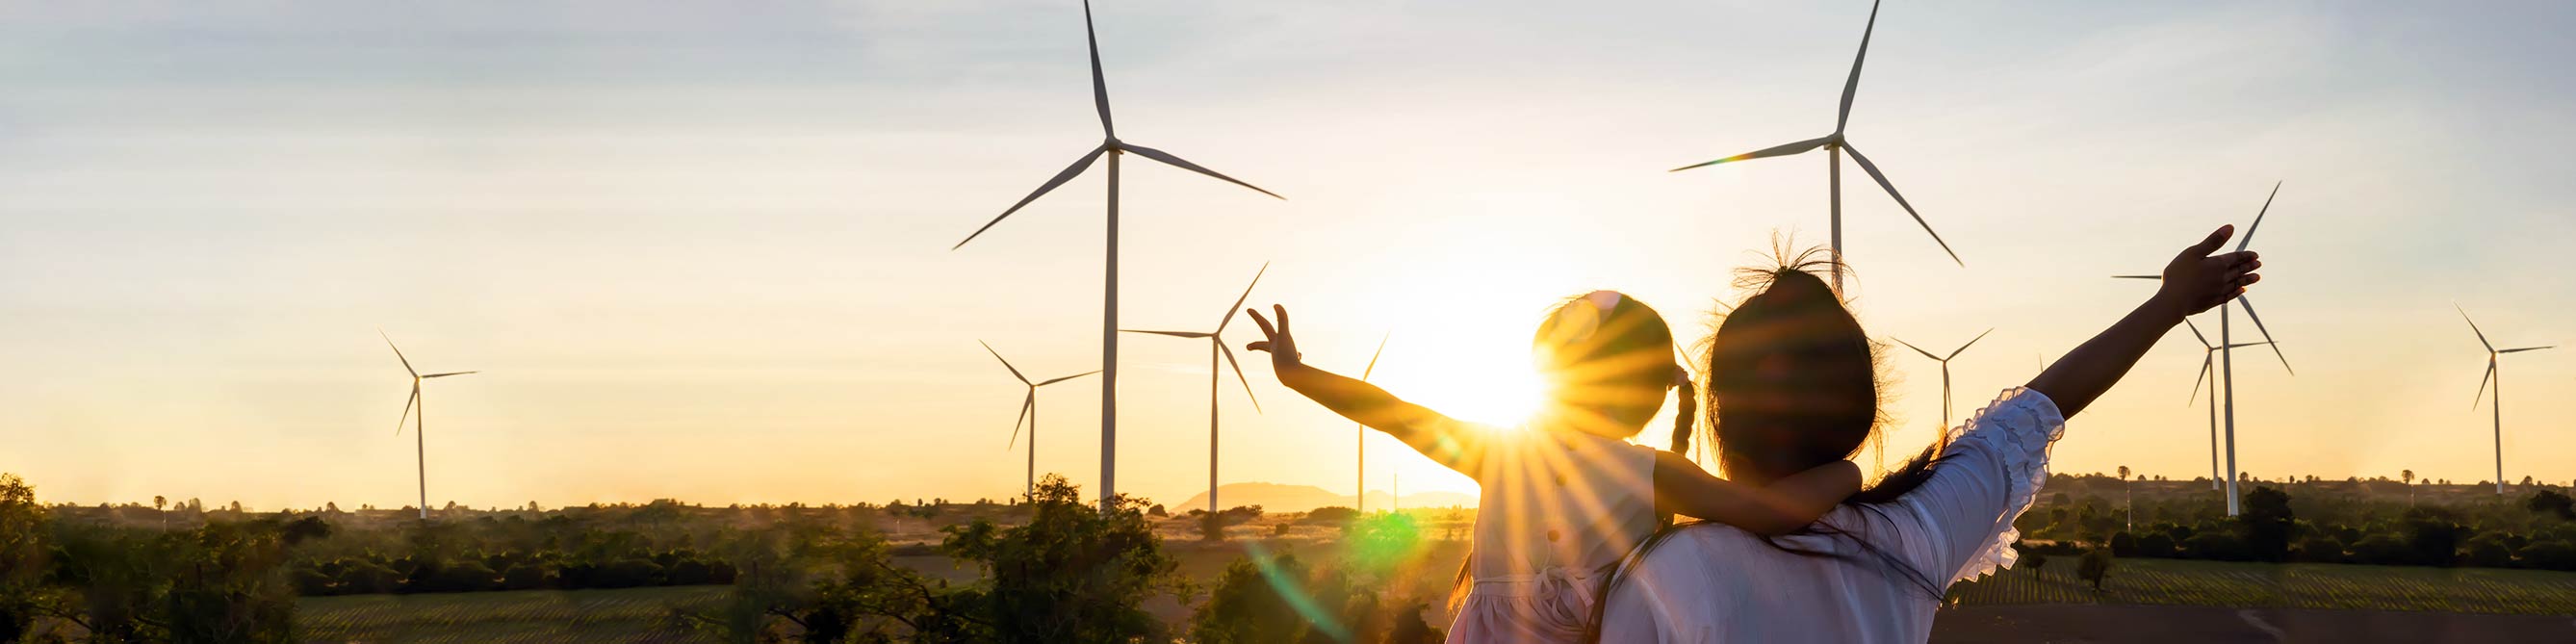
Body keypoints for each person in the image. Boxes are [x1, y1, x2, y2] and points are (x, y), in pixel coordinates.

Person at [1590, 226, 2262, 642]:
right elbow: (2045, 402)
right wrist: (2170, 303)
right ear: (1859, 412)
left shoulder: (1665, 575)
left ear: (1720, 413)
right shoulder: (1912, 535)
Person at [1245, 290, 1863, 643]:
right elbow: (1765, 513)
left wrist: (1295, 374)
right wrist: (1845, 475)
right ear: (1648, 395)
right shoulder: (1650, 470)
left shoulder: (1500, 451)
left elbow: (1388, 411)